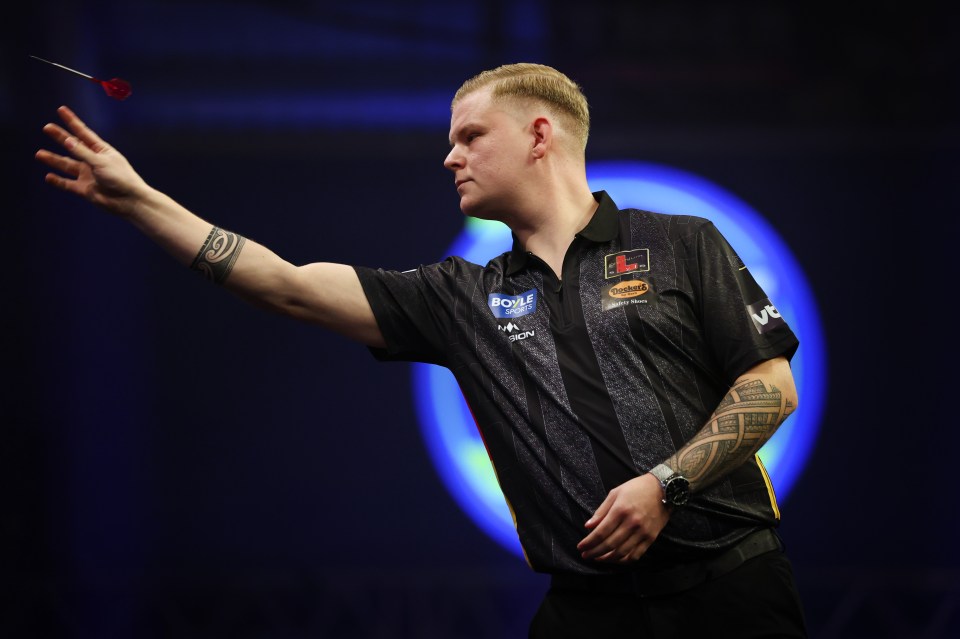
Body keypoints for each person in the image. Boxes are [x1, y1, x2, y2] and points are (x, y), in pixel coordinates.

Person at [36, 63, 807, 638]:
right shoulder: (458, 297)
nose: (450, 157)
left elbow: (773, 384)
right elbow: (286, 284)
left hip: (732, 591)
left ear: (541, 135)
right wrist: (138, 200)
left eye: (471, 136)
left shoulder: (678, 243)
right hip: (587, 613)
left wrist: (663, 485)